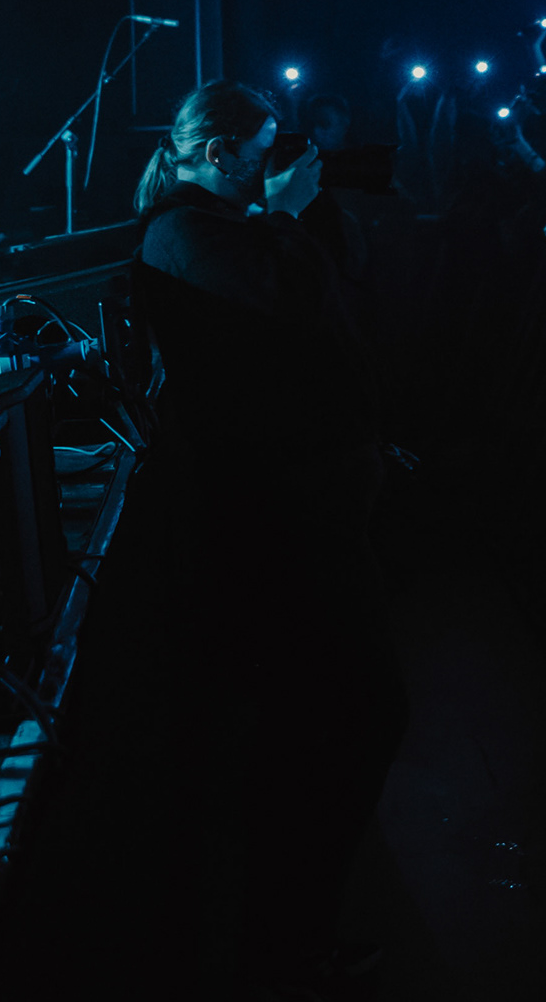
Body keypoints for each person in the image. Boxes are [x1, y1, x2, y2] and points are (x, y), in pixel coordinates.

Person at [99, 81, 405, 993]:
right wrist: (285, 213)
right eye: (266, 146)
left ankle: (293, 931)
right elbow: (292, 303)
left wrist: (300, 211)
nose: (279, 159)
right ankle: (283, 938)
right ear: (223, 152)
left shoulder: (233, 222)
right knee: (351, 713)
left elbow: (340, 279)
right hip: (276, 519)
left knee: (335, 717)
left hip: (307, 503)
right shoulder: (184, 232)